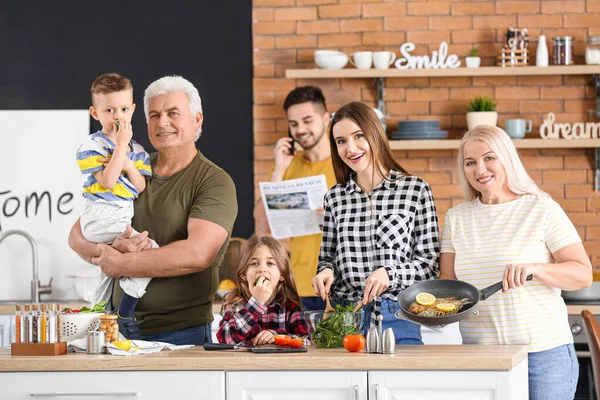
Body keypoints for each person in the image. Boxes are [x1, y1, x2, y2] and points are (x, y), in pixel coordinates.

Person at [68, 75, 238, 345]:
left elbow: (197, 254)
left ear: (197, 119)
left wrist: (123, 263)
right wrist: (109, 251)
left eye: (173, 113)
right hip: (114, 330)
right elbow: (77, 236)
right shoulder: (130, 162)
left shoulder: (213, 181)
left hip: (180, 333)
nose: (163, 122)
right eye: (154, 115)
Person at [439, 125, 592, 400]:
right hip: (481, 356)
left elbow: (583, 274)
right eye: (470, 162)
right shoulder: (456, 218)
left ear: (506, 158)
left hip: (543, 356)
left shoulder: (541, 208)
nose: (479, 169)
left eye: (489, 158)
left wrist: (537, 269)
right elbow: (449, 286)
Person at [312, 102, 440, 344]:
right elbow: (327, 258)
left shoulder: (415, 190)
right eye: (340, 141)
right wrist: (325, 272)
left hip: (400, 316)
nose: (350, 148)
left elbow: (429, 265)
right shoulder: (335, 198)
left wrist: (390, 274)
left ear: (375, 134)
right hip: (346, 317)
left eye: (358, 136)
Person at [76, 73, 158, 339]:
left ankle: (100, 319)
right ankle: (125, 313)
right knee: (151, 252)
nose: (117, 117)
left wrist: (128, 161)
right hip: (100, 216)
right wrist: (121, 147)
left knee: (106, 272)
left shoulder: (139, 152)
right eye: (109, 110)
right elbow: (109, 182)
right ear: (95, 112)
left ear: (133, 110)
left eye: (123, 109)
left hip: (122, 216)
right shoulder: (92, 145)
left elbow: (141, 186)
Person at [253, 86, 335, 311]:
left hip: (339, 285)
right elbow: (263, 223)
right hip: (299, 286)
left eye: (308, 121)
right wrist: (279, 169)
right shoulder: (289, 164)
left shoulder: (346, 163)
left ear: (326, 118)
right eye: (293, 124)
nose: (300, 130)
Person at [217, 235, 308, 345]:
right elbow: (225, 339)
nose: (262, 269)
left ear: (282, 274)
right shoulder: (236, 303)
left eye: (270, 263)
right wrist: (257, 303)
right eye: (254, 263)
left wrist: (277, 337)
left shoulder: (290, 306)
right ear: (243, 275)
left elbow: (306, 341)